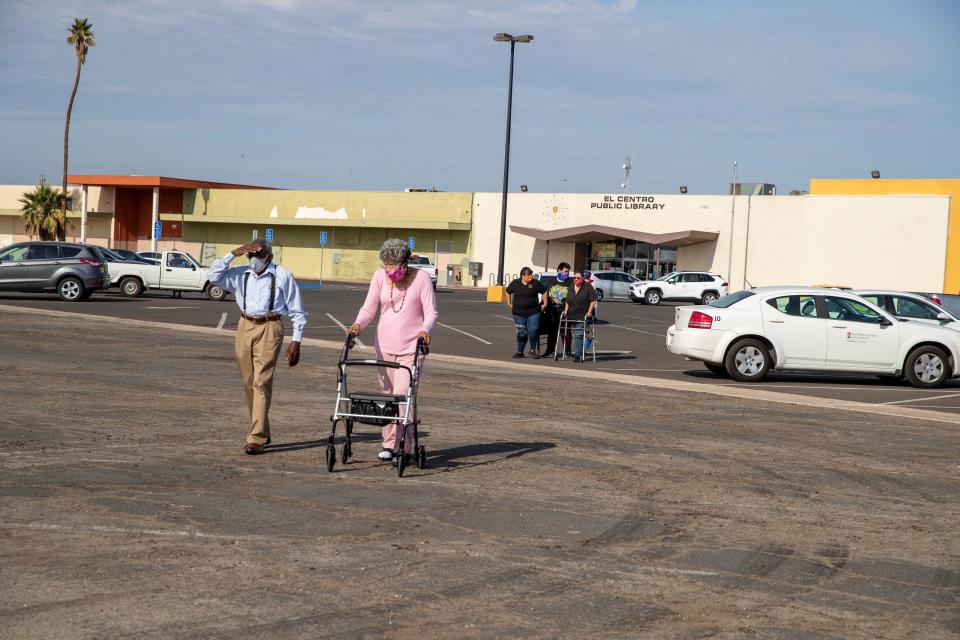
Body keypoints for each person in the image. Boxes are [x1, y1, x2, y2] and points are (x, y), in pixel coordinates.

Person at [206, 240, 308, 455]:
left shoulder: (282, 276)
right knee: (248, 381)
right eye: (250, 255)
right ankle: (263, 428)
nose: (254, 260)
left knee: (261, 381)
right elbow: (213, 276)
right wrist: (233, 253)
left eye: (258, 255)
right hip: (245, 325)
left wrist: (296, 341)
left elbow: (298, 311)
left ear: (269, 257)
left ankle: (256, 438)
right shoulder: (241, 274)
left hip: (270, 326)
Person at [348, 239, 438, 463]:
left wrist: (425, 329)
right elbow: (369, 307)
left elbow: (431, 312)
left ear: (405, 262)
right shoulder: (380, 277)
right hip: (385, 344)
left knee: (402, 397)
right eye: (385, 264)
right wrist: (357, 325)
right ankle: (388, 444)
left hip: (411, 347)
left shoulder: (422, 278)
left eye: (392, 265)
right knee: (386, 397)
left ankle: (403, 447)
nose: (388, 269)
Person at [505, 267, 547, 358]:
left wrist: (545, 304)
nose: (531, 277)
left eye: (531, 275)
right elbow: (508, 292)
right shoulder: (515, 283)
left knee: (533, 330)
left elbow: (544, 291)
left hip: (534, 312)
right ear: (523, 276)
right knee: (522, 332)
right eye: (529, 275)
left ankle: (532, 350)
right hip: (518, 313)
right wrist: (509, 303)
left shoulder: (535, 283)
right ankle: (520, 352)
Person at [562, 270, 597, 362]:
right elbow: (568, 301)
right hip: (572, 315)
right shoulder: (571, 287)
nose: (576, 279)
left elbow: (593, 300)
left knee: (578, 334)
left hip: (582, 315)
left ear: (582, 278)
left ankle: (578, 355)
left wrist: (589, 312)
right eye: (575, 278)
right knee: (576, 335)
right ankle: (581, 351)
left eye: (578, 278)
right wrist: (565, 310)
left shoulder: (587, 287)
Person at [542, 262, 571, 358]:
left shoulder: (570, 282)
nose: (566, 274)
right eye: (565, 271)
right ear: (559, 270)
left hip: (564, 311)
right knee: (552, 331)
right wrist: (544, 304)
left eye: (568, 272)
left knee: (565, 332)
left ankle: (567, 352)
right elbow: (544, 293)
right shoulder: (550, 281)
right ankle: (550, 351)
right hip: (552, 310)